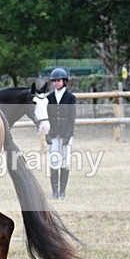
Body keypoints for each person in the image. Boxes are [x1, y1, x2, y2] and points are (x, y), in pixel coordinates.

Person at [45, 68, 77, 199]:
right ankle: (54, 191)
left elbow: (72, 118)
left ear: (64, 81)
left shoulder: (70, 98)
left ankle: (62, 191)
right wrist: (47, 134)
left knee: (65, 162)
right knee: (53, 162)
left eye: (58, 81)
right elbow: (46, 117)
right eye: (54, 81)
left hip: (65, 134)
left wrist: (68, 135)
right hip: (53, 134)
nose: (56, 83)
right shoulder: (49, 98)